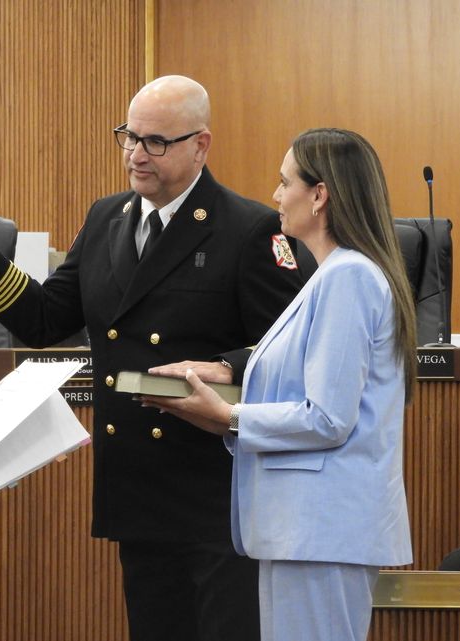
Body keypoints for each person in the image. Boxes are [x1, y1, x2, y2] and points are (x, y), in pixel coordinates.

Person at [0, 75, 304, 641]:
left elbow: (288, 348)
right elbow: (46, 320)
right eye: (129, 137)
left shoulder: (248, 228)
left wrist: (225, 365)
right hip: (135, 482)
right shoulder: (108, 217)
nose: (136, 154)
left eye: (156, 141)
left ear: (200, 145)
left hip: (215, 489)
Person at [142, 128, 416, 641]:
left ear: (319, 195)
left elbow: (327, 418)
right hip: (303, 530)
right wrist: (215, 381)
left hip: (322, 531)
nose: (274, 196)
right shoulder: (327, 275)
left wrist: (226, 415)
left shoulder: (348, 277)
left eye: (284, 181)